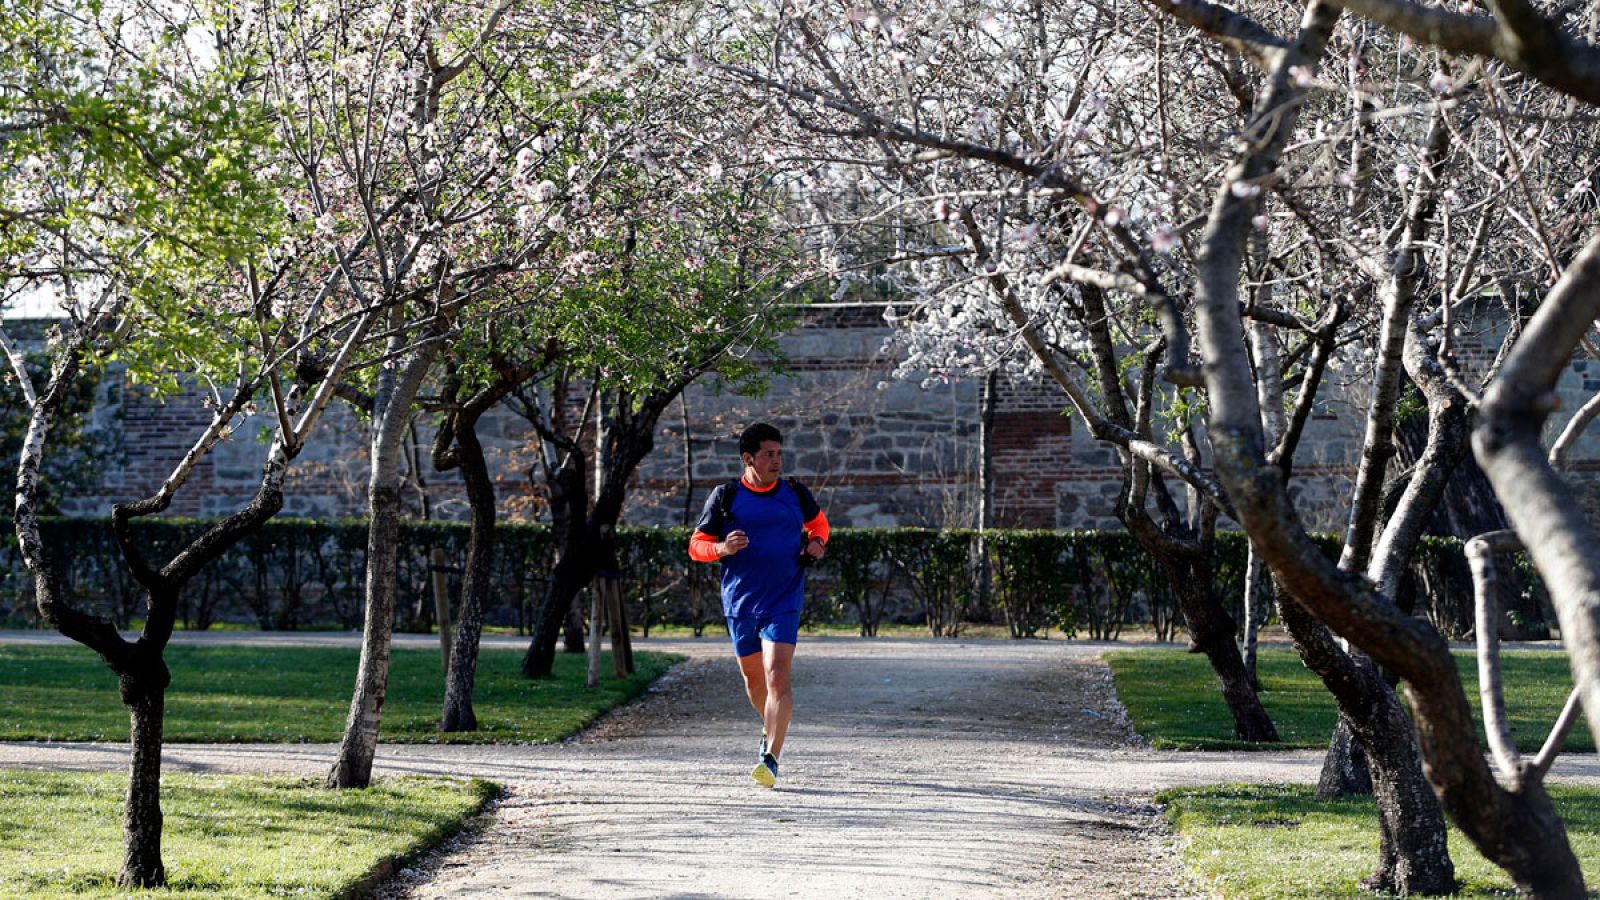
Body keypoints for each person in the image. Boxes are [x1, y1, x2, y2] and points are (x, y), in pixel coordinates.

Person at [688, 422, 828, 788]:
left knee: (777, 675)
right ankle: (770, 728)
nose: (777, 461)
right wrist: (722, 548)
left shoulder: (795, 493)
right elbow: (696, 546)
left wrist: (817, 544)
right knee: (754, 681)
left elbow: (820, 527)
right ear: (748, 459)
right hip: (740, 602)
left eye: (779, 453)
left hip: (784, 597)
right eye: (769, 454)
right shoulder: (726, 496)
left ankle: (772, 757)